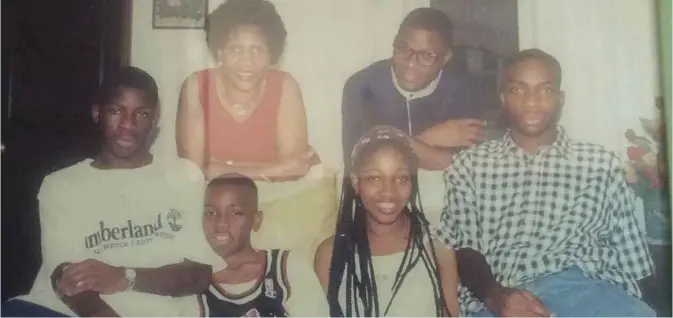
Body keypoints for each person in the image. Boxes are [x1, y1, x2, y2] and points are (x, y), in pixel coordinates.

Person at [435, 48, 656, 317]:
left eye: (545, 90)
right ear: (504, 98)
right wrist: (496, 297)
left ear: (560, 98)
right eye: (519, 90)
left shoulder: (599, 163)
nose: (532, 102)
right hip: (502, 295)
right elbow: (464, 250)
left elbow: (634, 261)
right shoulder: (470, 165)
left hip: (587, 289)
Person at [3, 67, 214, 317]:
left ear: (154, 119)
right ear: (97, 113)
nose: (128, 125)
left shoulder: (184, 176)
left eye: (142, 114)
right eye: (116, 111)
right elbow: (64, 276)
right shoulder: (62, 184)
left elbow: (199, 274)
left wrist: (125, 277)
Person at [314, 127, 460, 317]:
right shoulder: (330, 254)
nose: (388, 192)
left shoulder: (438, 249)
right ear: (356, 182)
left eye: (401, 178)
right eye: (374, 178)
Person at [177, 0, 319, 182]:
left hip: (273, 193)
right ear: (220, 52)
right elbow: (193, 172)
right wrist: (274, 169)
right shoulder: (196, 86)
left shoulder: (285, 85)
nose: (247, 61)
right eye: (236, 49)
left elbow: (294, 168)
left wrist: (220, 168)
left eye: (257, 49)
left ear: (270, 55)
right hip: (212, 195)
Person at [341, 7, 489, 171]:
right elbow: (360, 165)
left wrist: (392, 144)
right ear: (395, 43)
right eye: (404, 49)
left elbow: (468, 168)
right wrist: (431, 138)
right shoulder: (361, 86)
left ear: (446, 57)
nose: (410, 64)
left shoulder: (465, 90)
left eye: (427, 56)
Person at [193, 173, 329, 317]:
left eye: (235, 213)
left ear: (256, 220)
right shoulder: (192, 284)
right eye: (210, 213)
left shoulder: (287, 267)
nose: (221, 223)